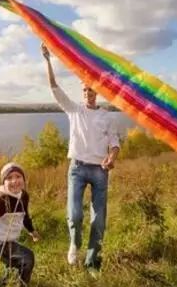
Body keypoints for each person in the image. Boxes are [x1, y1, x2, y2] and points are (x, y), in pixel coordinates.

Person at [41, 43, 120, 271]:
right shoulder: (74, 110)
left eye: (92, 90)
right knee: (74, 215)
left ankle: (92, 262)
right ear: (82, 92)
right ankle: (74, 245)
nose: (88, 94)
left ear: (98, 93)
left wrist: (112, 158)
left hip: (100, 171)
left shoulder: (107, 117)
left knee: (99, 220)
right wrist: (47, 60)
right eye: (85, 90)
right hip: (77, 168)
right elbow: (54, 87)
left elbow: (115, 144)